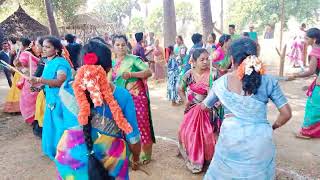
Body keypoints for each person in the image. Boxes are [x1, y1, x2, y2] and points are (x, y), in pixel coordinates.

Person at [202, 38, 292, 179]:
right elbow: (286, 114)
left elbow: (204, 107)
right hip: (260, 141)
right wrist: (272, 127)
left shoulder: (220, 83)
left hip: (231, 140)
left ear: (232, 59)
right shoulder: (269, 81)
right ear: (255, 58)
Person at [54, 40, 141, 180]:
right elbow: (133, 138)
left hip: (70, 161)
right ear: (108, 68)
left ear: (81, 65)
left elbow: (60, 121)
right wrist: (136, 157)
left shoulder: (65, 90)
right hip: (111, 162)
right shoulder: (122, 95)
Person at [112, 35, 155, 164]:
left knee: (139, 123)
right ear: (113, 47)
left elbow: (148, 72)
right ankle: (126, 155)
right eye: (117, 45)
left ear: (127, 45)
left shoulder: (134, 60)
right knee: (121, 125)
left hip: (136, 97)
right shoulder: (111, 63)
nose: (120, 47)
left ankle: (142, 155)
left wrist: (131, 75)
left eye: (123, 44)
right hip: (119, 99)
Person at [29, 36, 73, 160]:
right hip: (50, 99)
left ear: (57, 49)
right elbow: (48, 82)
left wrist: (39, 79)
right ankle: (54, 149)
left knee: (60, 126)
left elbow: (59, 81)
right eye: (43, 47)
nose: (44, 49)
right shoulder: (48, 62)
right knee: (51, 126)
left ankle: (64, 152)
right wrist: (37, 86)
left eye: (48, 47)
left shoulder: (61, 63)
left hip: (61, 100)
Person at [178, 48, 217, 173]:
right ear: (194, 62)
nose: (206, 62)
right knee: (189, 132)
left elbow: (218, 92)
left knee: (208, 134)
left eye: (207, 59)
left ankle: (208, 159)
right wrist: (185, 101)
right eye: (202, 59)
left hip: (209, 110)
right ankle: (195, 159)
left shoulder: (213, 73)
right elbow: (180, 88)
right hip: (192, 109)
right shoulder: (188, 74)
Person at [289, 28, 320, 138]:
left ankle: (307, 133)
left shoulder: (314, 52)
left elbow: (310, 71)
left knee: (313, 107)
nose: (304, 40)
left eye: (307, 38)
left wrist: (296, 75)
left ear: (314, 39)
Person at [16, 38, 40, 125]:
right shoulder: (33, 54)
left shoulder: (25, 54)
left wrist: (18, 66)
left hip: (31, 81)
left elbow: (23, 68)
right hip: (38, 81)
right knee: (37, 99)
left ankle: (33, 119)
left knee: (28, 100)